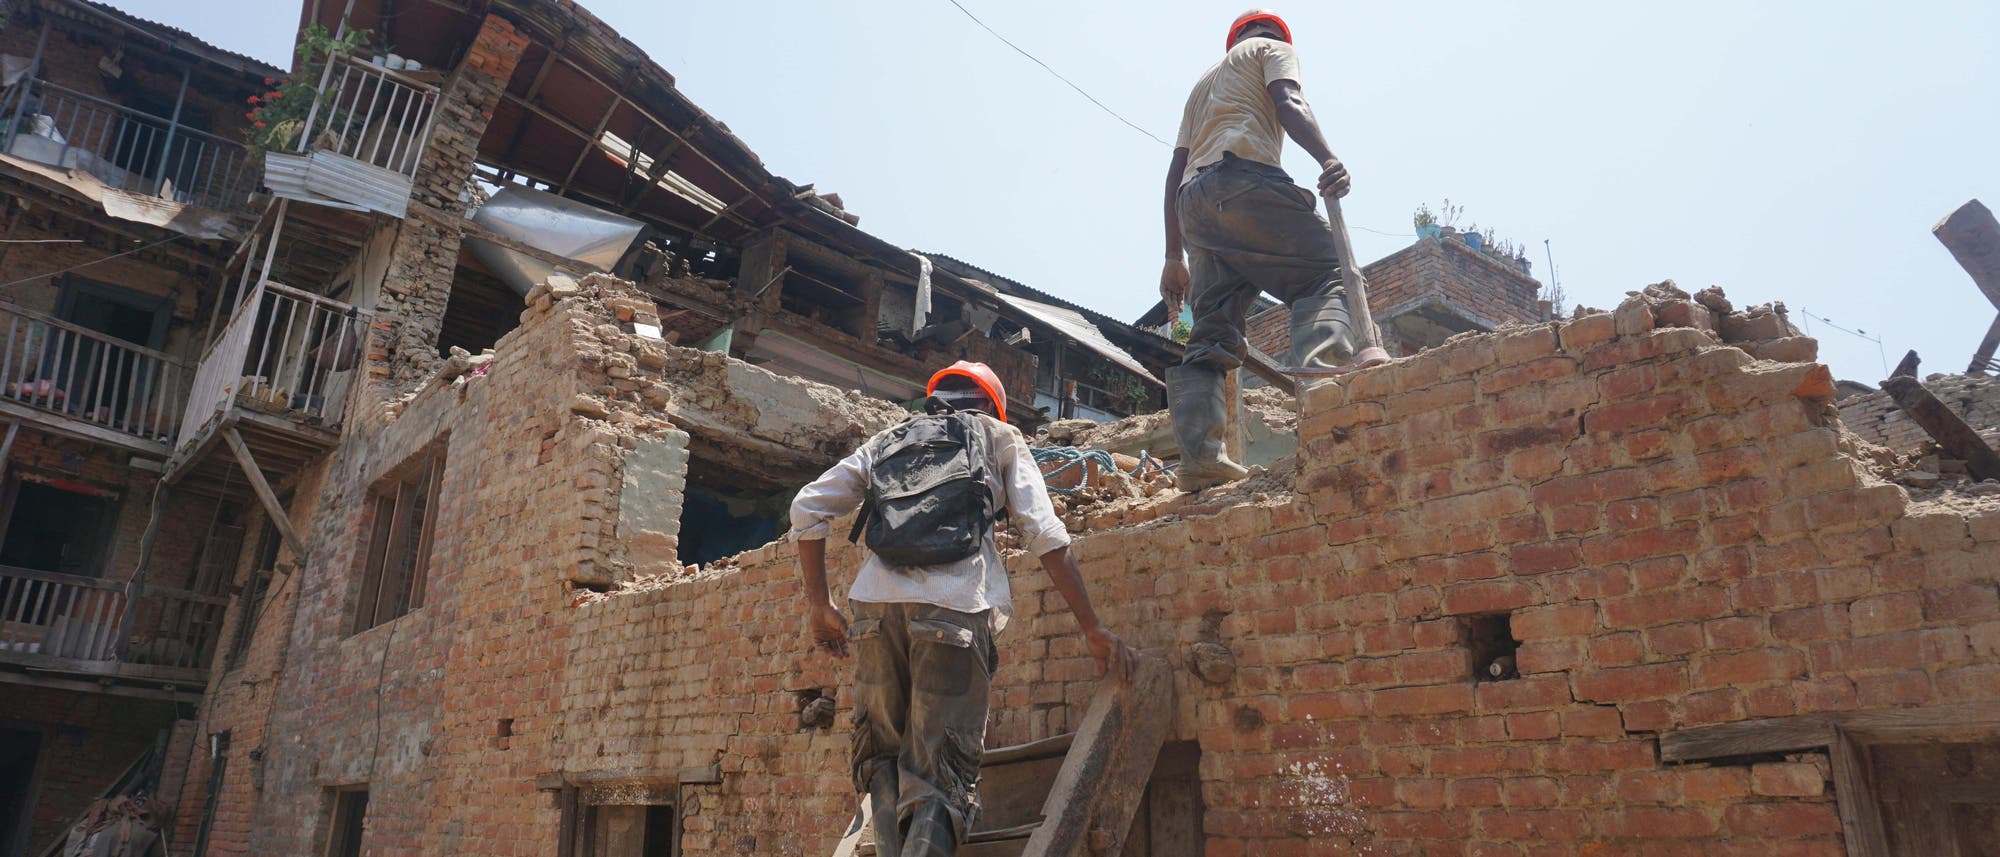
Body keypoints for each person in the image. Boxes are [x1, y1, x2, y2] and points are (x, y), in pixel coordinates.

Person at [793, 361, 1136, 857]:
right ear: (990, 404)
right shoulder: (997, 434)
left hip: (873, 610)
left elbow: (807, 507)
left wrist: (818, 602)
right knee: (940, 778)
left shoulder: (889, 439)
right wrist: (1092, 626)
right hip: (955, 609)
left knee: (882, 761)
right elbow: (1044, 532)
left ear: (938, 398)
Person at [1159, 8, 1364, 492]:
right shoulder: (1273, 50)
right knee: (1330, 273)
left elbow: (1173, 174)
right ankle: (1326, 406)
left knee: (1211, 332)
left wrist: (1174, 255)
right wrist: (1328, 157)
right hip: (1243, 181)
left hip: (1196, 210)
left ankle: (1202, 459)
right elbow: (1289, 102)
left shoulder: (1203, 85)